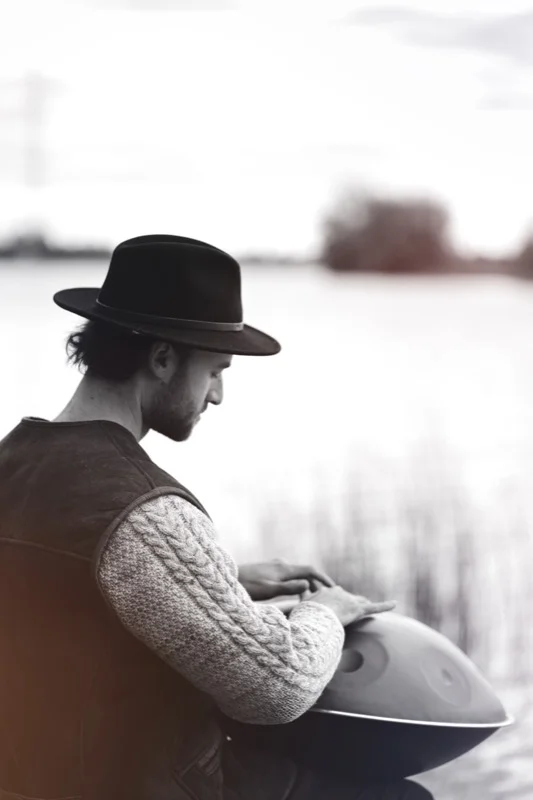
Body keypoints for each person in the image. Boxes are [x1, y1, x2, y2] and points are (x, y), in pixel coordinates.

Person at [0, 235, 433, 800]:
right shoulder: (145, 513)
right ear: (161, 358)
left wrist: (222, 585)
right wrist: (325, 613)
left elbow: (68, 606)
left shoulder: (15, 459)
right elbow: (277, 687)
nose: (220, 395)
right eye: (215, 371)